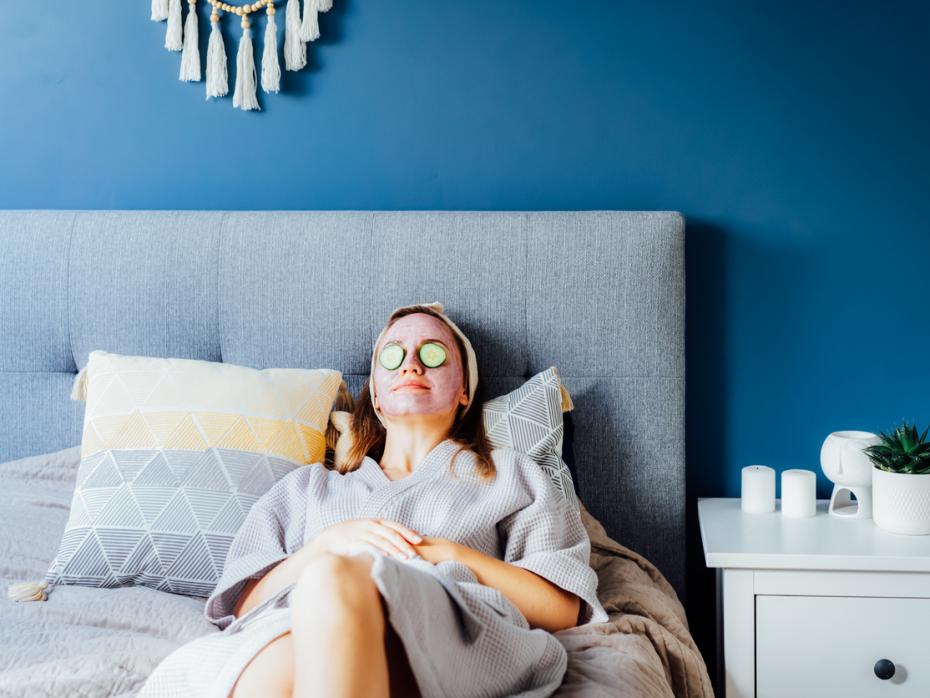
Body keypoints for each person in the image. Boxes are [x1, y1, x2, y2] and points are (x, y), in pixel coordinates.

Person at [139, 302, 608, 698]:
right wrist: (324, 547)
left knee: (331, 582)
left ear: (464, 391)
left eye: (431, 353)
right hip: (303, 630)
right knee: (280, 653)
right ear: (377, 398)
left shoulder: (512, 475)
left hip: (450, 631)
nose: (411, 365)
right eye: (393, 356)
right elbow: (242, 607)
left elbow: (562, 607)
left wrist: (442, 552)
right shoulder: (308, 488)